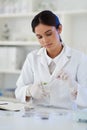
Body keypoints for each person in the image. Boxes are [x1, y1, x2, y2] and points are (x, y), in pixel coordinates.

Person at [15, 10, 87, 109]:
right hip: (37, 118)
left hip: (67, 119)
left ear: (59, 29)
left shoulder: (79, 58)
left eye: (48, 34)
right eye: (39, 37)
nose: (44, 40)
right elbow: (18, 91)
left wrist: (73, 86)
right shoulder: (32, 58)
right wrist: (29, 91)